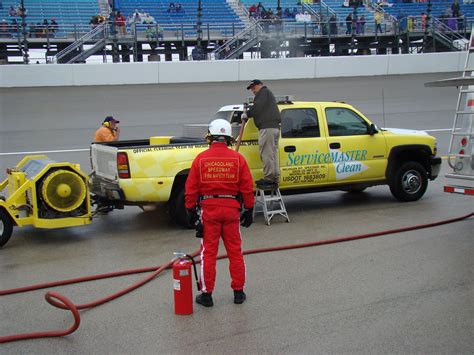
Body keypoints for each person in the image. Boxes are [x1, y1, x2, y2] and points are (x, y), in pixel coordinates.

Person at [185, 119, 255, 307]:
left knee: (208, 253)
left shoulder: (201, 159)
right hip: (232, 210)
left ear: (210, 137)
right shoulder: (238, 159)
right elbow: (247, 186)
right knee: (235, 252)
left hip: (209, 212)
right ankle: (238, 292)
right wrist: (249, 208)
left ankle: (207, 295)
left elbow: (191, 188)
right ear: (228, 138)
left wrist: (190, 209)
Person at [241, 79, 281, 187]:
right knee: (273, 153)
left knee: (267, 153)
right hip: (274, 127)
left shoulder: (263, 92)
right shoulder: (267, 94)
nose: (253, 91)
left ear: (260, 85)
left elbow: (257, 108)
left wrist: (247, 114)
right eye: (252, 89)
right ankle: (274, 177)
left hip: (267, 127)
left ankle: (269, 178)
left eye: (254, 87)